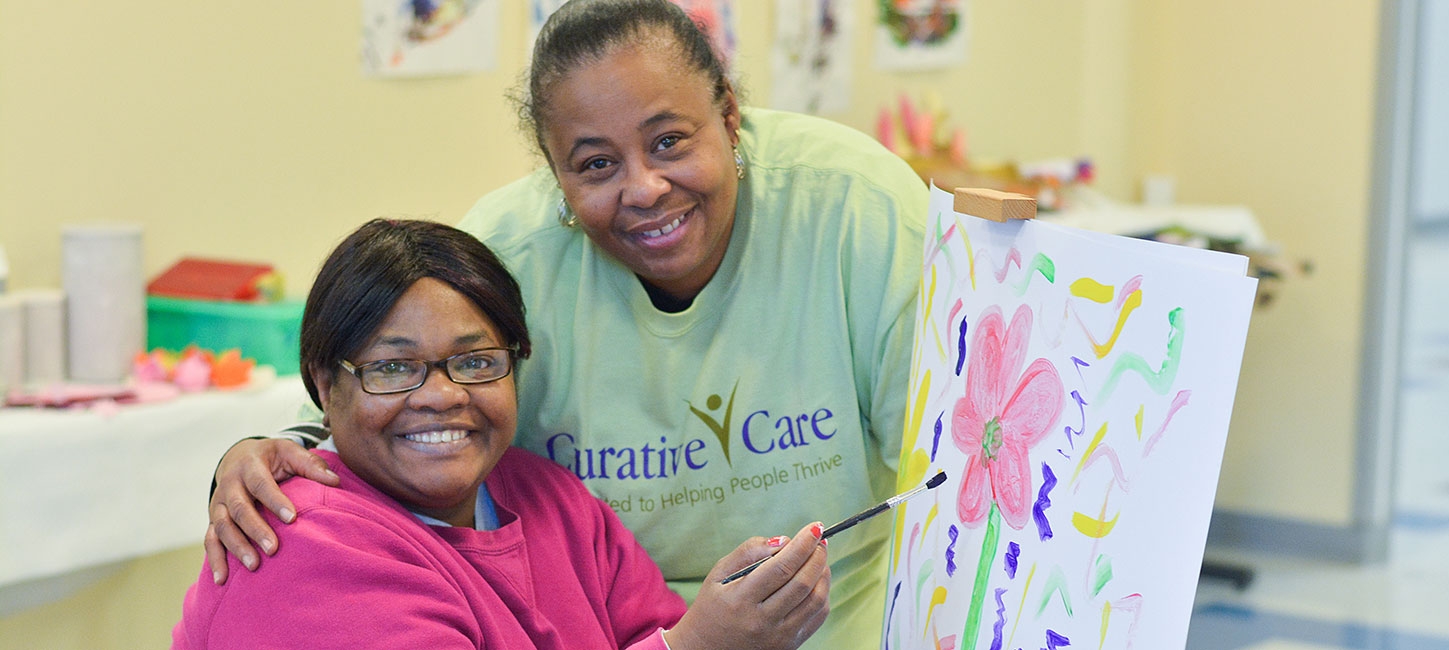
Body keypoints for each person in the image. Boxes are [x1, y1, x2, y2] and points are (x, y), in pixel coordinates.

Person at [205, 0, 930, 646]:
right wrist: (261, 453)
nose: (645, 188)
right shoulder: (510, 253)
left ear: (731, 116)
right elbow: (360, 411)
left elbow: (954, 474)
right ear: (555, 176)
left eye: (671, 141)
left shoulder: (856, 211)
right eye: (595, 165)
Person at [174, 219, 830, 649]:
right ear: (324, 380)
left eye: (476, 361)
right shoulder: (294, 540)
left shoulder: (552, 502)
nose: (442, 395)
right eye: (394, 367)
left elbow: (650, 627)